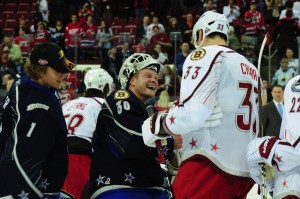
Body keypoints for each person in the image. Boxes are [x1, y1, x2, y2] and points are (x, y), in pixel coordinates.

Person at [142, 11, 259, 198]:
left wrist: (157, 123)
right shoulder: (250, 67)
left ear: (201, 33)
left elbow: (193, 113)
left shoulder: (205, 54)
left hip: (210, 163)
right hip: (245, 172)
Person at [89, 53, 182, 199]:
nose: (154, 80)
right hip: (120, 188)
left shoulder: (151, 113)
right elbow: (133, 141)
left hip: (150, 188)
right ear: (132, 80)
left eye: (156, 78)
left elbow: (168, 162)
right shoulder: (119, 97)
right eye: (148, 75)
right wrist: (170, 142)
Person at [0, 42, 75, 197]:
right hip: (33, 187)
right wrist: (30, 193)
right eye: (58, 70)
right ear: (40, 70)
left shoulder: (26, 80)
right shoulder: (38, 107)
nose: (65, 74)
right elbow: (23, 157)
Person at [62, 68, 114, 199]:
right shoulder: (104, 105)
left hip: (57, 156)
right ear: (105, 87)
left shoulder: (68, 104)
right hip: (81, 158)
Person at [246, 75, 300, 199]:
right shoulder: (292, 83)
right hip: (287, 168)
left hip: (284, 155)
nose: (277, 94)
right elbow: (283, 128)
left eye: (278, 92)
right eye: (274, 92)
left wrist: (268, 147)